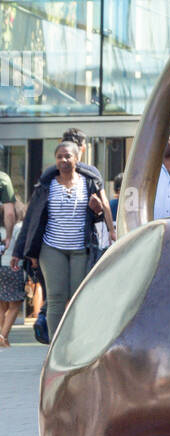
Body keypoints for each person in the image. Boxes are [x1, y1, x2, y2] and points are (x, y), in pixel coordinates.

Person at [14, 141, 114, 340]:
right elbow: (31, 220)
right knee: (56, 297)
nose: (64, 160)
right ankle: (56, 348)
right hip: (51, 248)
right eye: (59, 156)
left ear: (77, 159)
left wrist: (103, 218)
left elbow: (103, 212)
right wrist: (19, 252)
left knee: (79, 297)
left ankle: (78, 343)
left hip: (81, 248)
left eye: (68, 156)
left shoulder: (88, 183)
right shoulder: (45, 186)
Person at [0, 196, 25, 347]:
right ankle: (3, 336)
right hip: (14, 268)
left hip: (0, 268)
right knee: (15, 305)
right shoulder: (18, 228)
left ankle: (2, 336)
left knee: (2, 305)